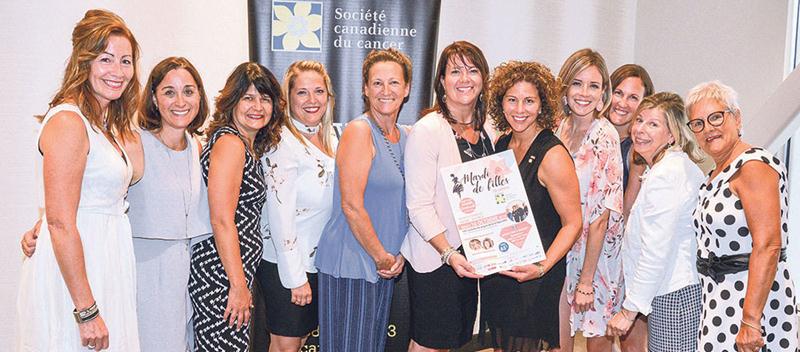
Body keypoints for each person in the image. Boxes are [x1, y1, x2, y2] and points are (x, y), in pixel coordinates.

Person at [21, 57, 213, 351]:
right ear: (153, 98)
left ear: (200, 95)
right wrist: (44, 224)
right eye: (169, 92)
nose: (180, 101)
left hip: (182, 278)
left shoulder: (199, 147)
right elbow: (94, 187)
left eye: (188, 91)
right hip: (140, 272)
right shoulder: (133, 141)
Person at [16, 9, 141, 351]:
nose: (118, 71)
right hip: (78, 276)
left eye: (126, 61)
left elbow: (71, 201)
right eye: (106, 59)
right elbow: (60, 222)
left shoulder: (102, 123)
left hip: (103, 260)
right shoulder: (69, 121)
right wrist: (86, 311)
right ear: (83, 61)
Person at [686, 81, 797, 352]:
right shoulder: (716, 173)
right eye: (698, 123)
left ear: (737, 118)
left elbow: (768, 245)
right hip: (720, 301)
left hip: (752, 304)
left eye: (716, 117)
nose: (708, 129)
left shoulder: (753, 165)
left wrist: (750, 321)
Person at [481, 60, 582, 351]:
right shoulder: (501, 145)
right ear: (501, 103)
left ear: (542, 105)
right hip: (501, 275)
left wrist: (541, 266)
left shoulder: (552, 155)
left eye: (528, 101)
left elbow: (573, 222)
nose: (519, 109)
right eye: (512, 100)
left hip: (535, 280)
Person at [314, 48, 410, 352]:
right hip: (353, 263)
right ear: (365, 89)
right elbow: (351, 206)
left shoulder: (406, 136)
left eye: (393, 83)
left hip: (385, 265)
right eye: (377, 83)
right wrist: (382, 257)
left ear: (407, 89)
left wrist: (399, 256)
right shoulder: (358, 131)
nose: (385, 91)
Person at [187, 62, 285, 351]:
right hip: (220, 275)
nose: (257, 106)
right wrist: (238, 285)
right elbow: (221, 219)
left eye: (264, 98)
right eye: (248, 98)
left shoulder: (244, 144)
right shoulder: (231, 144)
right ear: (232, 101)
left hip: (231, 274)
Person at [401, 41, 492, 352]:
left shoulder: (486, 130)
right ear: (441, 81)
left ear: (483, 78)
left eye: (472, 70)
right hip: (437, 258)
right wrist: (448, 254)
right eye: (455, 71)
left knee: (454, 343)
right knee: (429, 345)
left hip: (472, 257)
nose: (464, 79)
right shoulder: (429, 130)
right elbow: (418, 207)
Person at [605, 92, 705, 351]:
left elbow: (655, 250)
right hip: (671, 292)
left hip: (674, 295)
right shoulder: (666, 169)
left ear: (672, 135)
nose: (640, 130)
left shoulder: (667, 176)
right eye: (639, 121)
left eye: (653, 124)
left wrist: (628, 312)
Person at [257, 60, 337, 351]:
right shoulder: (282, 142)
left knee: (298, 341)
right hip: (287, 265)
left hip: (318, 263)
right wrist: (294, 278)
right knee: (285, 345)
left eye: (319, 91)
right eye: (302, 92)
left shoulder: (331, 139)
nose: (312, 100)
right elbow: (280, 216)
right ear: (288, 98)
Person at [554, 48, 624, 351]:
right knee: (559, 340)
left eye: (593, 86)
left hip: (593, 260)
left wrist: (586, 281)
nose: (584, 93)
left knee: (596, 343)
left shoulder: (604, 135)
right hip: (563, 250)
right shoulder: (561, 127)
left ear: (603, 93)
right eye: (577, 83)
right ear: (565, 87)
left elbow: (601, 217)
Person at [605, 64, 654, 352]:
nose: (622, 103)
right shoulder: (593, 134)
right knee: (596, 334)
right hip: (592, 250)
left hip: (627, 253)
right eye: (618, 93)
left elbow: (628, 210)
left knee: (632, 338)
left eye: (633, 98)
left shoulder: (641, 150)